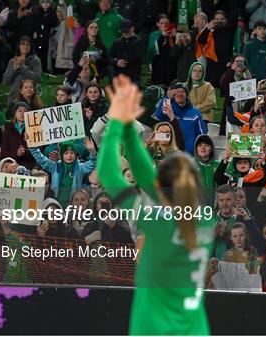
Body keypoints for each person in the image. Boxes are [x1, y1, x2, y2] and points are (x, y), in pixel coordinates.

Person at [97, 75, 213, 335]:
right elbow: (148, 178)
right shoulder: (205, 221)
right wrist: (129, 129)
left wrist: (118, 124)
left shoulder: (155, 221)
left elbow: (108, 173)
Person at [154, 82, 207, 155]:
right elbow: (158, 116)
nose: (180, 94)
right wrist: (167, 97)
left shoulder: (195, 113)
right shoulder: (168, 109)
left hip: (188, 156)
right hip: (168, 155)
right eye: (177, 91)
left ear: (186, 95)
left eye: (182, 91)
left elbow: (202, 135)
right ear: (173, 95)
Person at [2, 36, 42, 105]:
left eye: (27, 44)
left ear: (31, 46)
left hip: (30, 99)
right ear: (19, 46)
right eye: (23, 44)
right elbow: (5, 81)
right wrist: (14, 69)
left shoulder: (36, 60)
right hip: (14, 98)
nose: (25, 47)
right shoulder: (12, 61)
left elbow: (37, 79)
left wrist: (22, 67)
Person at [1, 101, 35, 169]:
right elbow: (4, 152)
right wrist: (16, 153)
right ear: (14, 114)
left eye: (25, 111)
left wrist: (25, 152)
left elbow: (39, 150)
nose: (22, 113)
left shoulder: (34, 129)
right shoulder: (8, 129)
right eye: (19, 111)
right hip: (12, 164)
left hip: (30, 165)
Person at [109, 19, 143, 84]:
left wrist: (124, 61)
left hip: (133, 76)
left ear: (132, 29)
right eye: (123, 31)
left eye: (127, 31)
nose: (125, 33)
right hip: (119, 76)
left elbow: (137, 57)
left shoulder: (138, 42)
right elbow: (110, 57)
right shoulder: (117, 42)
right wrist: (116, 63)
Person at [147, 14, 177, 86]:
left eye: (166, 23)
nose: (164, 25)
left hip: (171, 70)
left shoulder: (173, 35)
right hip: (158, 71)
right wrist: (162, 36)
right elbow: (151, 51)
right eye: (162, 23)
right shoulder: (154, 35)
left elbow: (177, 51)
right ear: (157, 24)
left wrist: (175, 37)